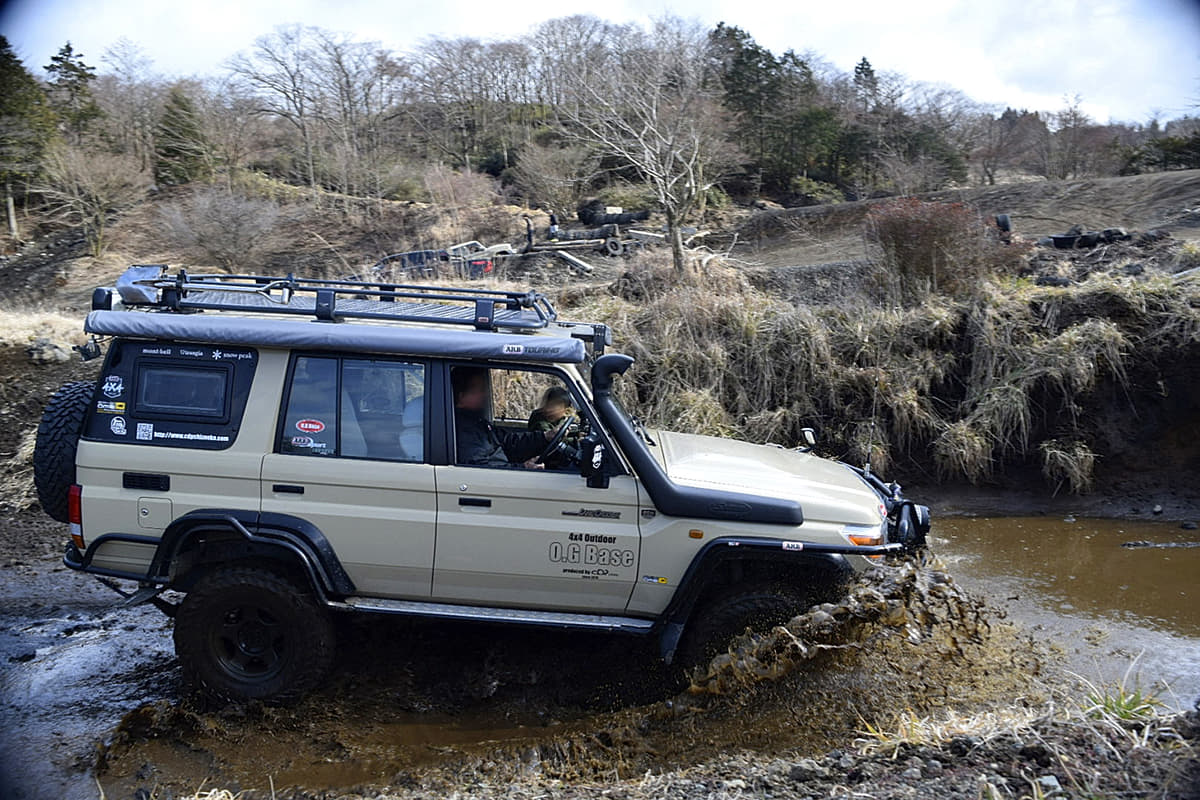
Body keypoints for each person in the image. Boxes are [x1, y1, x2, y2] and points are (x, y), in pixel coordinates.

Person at [453, 367, 555, 469]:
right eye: (480, 390)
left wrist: (544, 437)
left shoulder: (477, 422)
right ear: (461, 397)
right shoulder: (462, 431)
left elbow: (507, 441)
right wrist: (523, 467)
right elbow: (481, 469)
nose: (485, 394)